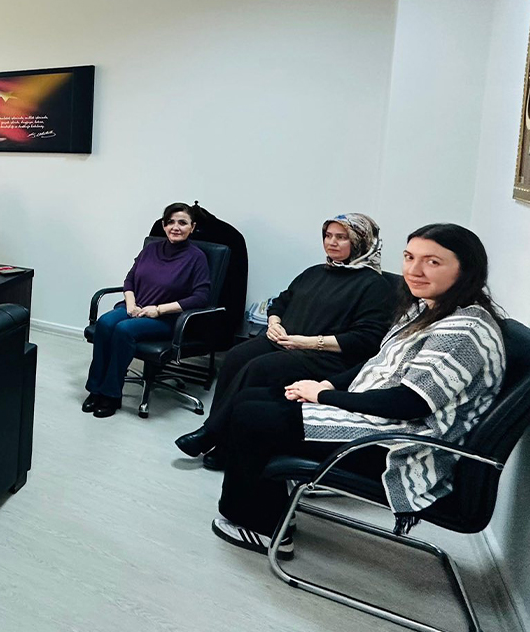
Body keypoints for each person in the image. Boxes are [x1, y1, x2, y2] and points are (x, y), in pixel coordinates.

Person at [207, 224, 506, 558]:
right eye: (409, 257)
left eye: (432, 262)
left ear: (466, 270)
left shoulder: (463, 331)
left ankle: (261, 527)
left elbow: (408, 403)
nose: (414, 270)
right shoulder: (428, 309)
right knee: (254, 398)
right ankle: (269, 509)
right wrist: (329, 384)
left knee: (255, 416)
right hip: (382, 420)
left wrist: (323, 396)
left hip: (404, 446)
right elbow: (378, 362)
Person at [175, 214, 396, 469]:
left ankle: (217, 439)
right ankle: (219, 435)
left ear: (361, 242)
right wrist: (274, 324)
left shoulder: (375, 286)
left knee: (260, 368)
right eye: (328, 235)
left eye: (341, 237)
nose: (331, 242)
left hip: (326, 358)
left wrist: (307, 342)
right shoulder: (315, 272)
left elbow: (366, 339)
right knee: (237, 356)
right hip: (286, 343)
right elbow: (280, 302)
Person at [82, 202, 211, 418]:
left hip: (166, 318)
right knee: (105, 323)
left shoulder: (196, 257)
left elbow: (201, 297)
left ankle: (111, 395)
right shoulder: (151, 249)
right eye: (170, 222)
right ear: (164, 225)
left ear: (192, 227)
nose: (175, 227)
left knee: (124, 330)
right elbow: (130, 279)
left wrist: (158, 310)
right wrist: (131, 304)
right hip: (136, 306)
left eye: (182, 223)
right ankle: (95, 389)